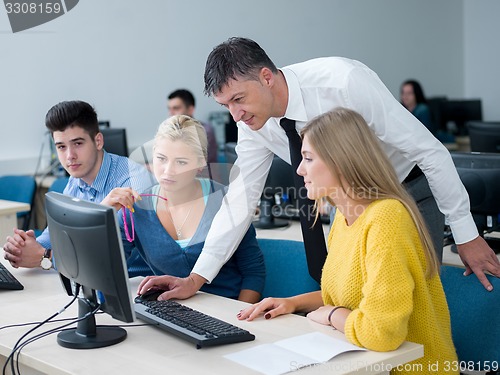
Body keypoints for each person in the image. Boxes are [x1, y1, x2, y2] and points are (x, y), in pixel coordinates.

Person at [145, 37, 499, 301]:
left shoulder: (342, 82)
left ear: (267, 77)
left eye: (239, 99)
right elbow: (240, 199)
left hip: (406, 193)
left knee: (408, 306)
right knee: (354, 302)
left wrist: (466, 234)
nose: (235, 115)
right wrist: (197, 278)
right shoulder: (252, 122)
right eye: (226, 105)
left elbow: (430, 151)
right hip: (346, 210)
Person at [238, 108, 458, 374]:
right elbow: (350, 298)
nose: (298, 168)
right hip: (365, 362)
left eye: (308, 158)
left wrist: (331, 316)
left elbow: (381, 332)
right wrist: (293, 303)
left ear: (340, 162)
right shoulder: (344, 217)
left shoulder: (387, 217)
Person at [2, 100, 154, 275]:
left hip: (137, 287)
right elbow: (56, 234)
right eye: (61, 147)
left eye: (78, 143)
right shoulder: (77, 180)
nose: (70, 156)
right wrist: (23, 248)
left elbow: (108, 259)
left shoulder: (132, 185)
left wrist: (44, 257)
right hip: (92, 284)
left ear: (98, 141)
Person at [129, 115, 265, 303]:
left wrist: (239, 317)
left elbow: (253, 271)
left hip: (227, 311)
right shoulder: (136, 206)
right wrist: (106, 212)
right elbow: (104, 265)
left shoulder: (226, 200)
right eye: (161, 159)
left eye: (181, 162)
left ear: (201, 162)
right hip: (171, 312)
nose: (168, 170)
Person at [167, 89, 218, 164]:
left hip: (202, 175)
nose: (170, 113)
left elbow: (189, 164)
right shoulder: (174, 131)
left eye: (176, 108)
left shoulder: (204, 131)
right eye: (169, 109)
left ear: (190, 110)